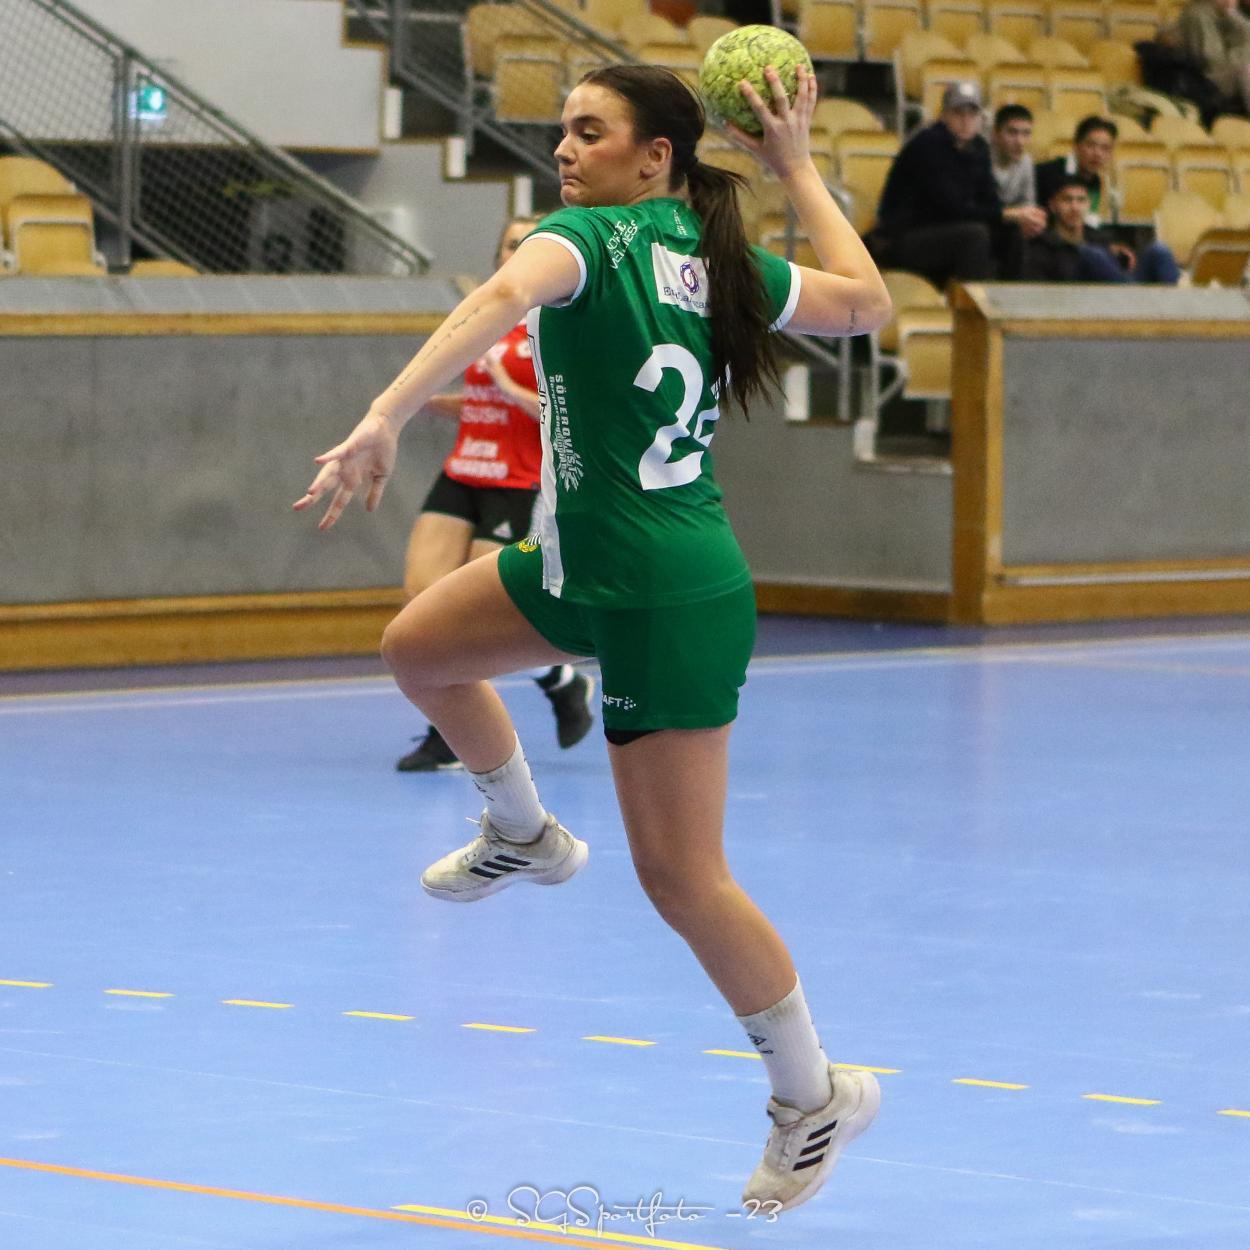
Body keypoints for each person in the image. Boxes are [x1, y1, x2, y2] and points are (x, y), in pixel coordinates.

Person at [294, 62, 892, 1211]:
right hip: (580, 565)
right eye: (561, 130)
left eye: (588, 130)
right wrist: (796, 168)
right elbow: (866, 302)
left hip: (664, 592)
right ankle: (523, 831)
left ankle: (812, 1094)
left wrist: (382, 412)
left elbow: (494, 298)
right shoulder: (716, 257)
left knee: (683, 878)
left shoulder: (587, 240)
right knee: (419, 650)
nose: (564, 149)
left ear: (653, 156)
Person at [395, 215, 595, 772]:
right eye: (511, 243)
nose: (519, 251)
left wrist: (506, 387)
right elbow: (485, 403)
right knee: (420, 597)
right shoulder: (490, 318)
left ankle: (451, 737)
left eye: (530, 243)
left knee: (473, 616)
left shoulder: (558, 322)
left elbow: (567, 413)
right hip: (464, 470)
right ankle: (559, 681)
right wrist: (426, 404)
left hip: (518, 479)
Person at [872, 81, 1046, 286]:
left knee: (1012, 232)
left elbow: (989, 199)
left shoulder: (979, 147)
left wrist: (1017, 218)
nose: (966, 121)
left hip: (947, 230)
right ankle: (970, 303)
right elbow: (950, 208)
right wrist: (1007, 214)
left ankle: (1011, 297)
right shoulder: (927, 145)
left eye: (972, 114)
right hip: (904, 236)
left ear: (981, 119)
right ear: (944, 115)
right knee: (975, 235)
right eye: (958, 113)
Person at [1022, 176, 1182, 282]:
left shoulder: (1102, 239)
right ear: (1053, 206)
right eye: (1067, 200)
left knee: (1159, 251)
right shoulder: (1041, 246)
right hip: (1080, 304)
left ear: (1088, 205)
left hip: (1117, 297)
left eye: (1081, 200)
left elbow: (1124, 268)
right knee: (1091, 254)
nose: (1075, 207)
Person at [1034, 116, 1117, 226]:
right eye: (1091, 145)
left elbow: (1088, 220)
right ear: (1076, 146)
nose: (1098, 153)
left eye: (1105, 148)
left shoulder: (1095, 181)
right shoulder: (1046, 173)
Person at [1178, 0, 1250, 113]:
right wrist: (1238, 56)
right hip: (1206, 80)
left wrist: (1234, 15)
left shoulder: (1229, 16)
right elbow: (1213, 61)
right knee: (1246, 70)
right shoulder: (1199, 14)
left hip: (1230, 72)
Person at [990, 104, 1037, 210]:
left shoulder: (1026, 162)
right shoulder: (980, 158)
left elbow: (1028, 203)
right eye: (1012, 132)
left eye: (1026, 133)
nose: (1020, 142)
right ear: (995, 134)